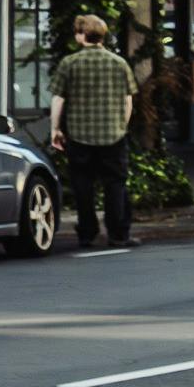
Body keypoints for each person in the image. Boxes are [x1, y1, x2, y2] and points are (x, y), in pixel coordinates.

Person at [54, 13, 139, 252]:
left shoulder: (69, 63)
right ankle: (118, 234)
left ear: (81, 35)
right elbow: (128, 100)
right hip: (114, 135)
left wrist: (55, 129)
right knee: (115, 184)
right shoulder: (119, 63)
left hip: (79, 135)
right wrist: (122, 125)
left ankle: (87, 234)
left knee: (83, 184)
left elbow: (58, 99)